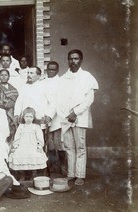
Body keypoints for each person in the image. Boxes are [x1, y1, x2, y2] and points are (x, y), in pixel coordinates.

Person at [56, 49, 98, 186]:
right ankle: (71, 174)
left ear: (81, 60)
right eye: (71, 59)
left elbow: (89, 99)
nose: (73, 61)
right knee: (69, 147)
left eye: (76, 59)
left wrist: (75, 113)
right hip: (66, 117)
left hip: (80, 117)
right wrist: (66, 115)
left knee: (80, 147)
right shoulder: (63, 79)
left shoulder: (87, 77)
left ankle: (80, 175)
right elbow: (59, 99)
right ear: (68, 60)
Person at [8, 107, 47, 180]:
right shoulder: (21, 126)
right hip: (22, 147)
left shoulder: (36, 127)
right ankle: (22, 173)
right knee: (18, 155)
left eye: (30, 117)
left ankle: (33, 173)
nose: (28, 118)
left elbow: (40, 139)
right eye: (26, 116)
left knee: (35, 155)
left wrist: (39, 147)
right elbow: (17, 138)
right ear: (23, 117)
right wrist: (16, 146)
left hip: (33, 146)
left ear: (33, 118)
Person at [44, 61, 66, 174]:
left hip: (57, 117)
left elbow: (59, 101)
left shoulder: (61, 82)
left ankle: (63, 166)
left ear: (57, 70)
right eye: (49, 69)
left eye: (53, 70)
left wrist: (51, 115)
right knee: (49, 144)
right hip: (45, 116)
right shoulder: (43, 82)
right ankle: (51, 167)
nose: (50, 71)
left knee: (59, 143)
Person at [0, 69, 19, 140]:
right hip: (1, 113)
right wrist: (6, 104)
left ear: (9, 77)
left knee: (13, 130)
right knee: (3, 130)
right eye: (1, 75)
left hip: (12, 112)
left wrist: (6, 102)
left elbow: (17, 101)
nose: (3, 77)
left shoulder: (14, 89)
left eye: (5, 75)